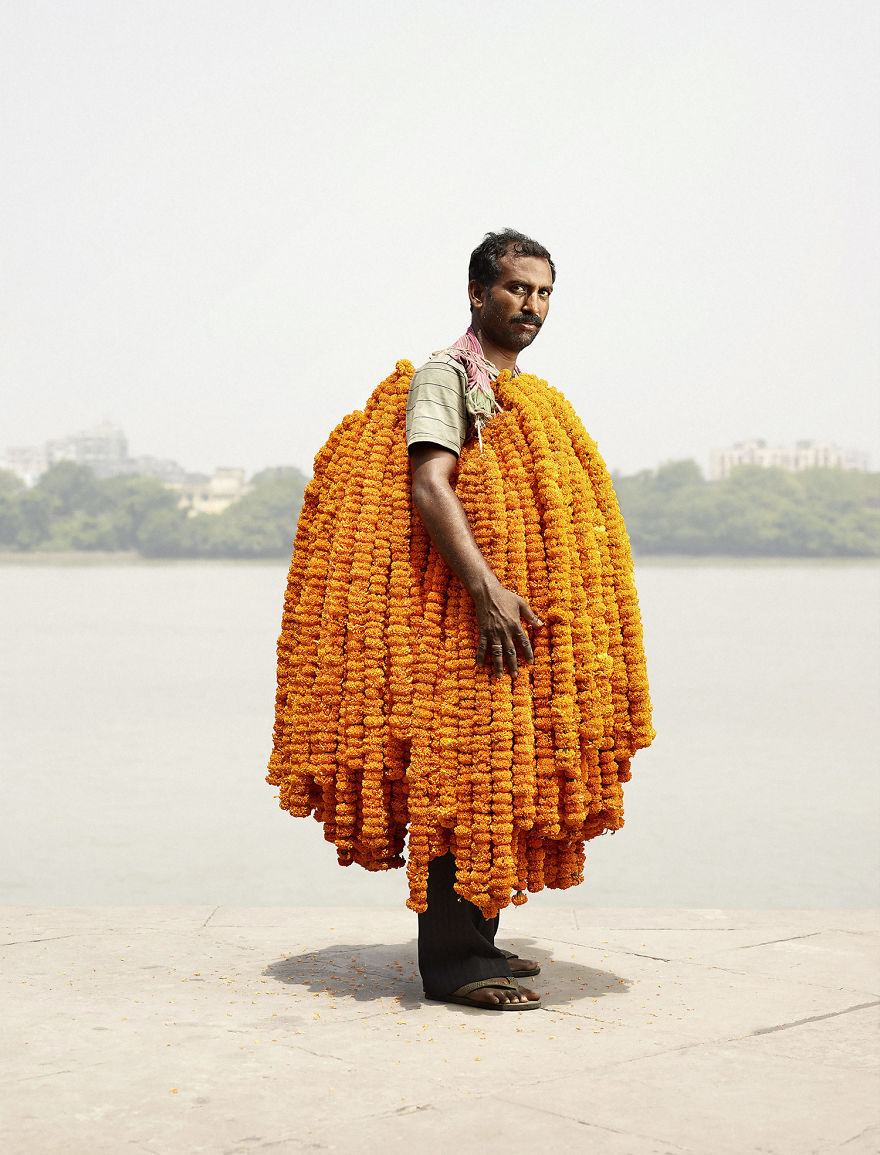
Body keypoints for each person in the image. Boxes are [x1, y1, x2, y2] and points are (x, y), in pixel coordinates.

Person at [267, 229, 654, 1014]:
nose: (532, 306)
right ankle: (451, 964)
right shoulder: (447, 378)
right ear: (478, 293)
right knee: (457, 777)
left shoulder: (518, 391)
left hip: (506, 619)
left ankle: (478, 936)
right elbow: (431, 484)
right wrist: (483, 589)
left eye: (544, 293)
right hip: (457, 620)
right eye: (516, 289)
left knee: (501, 778)